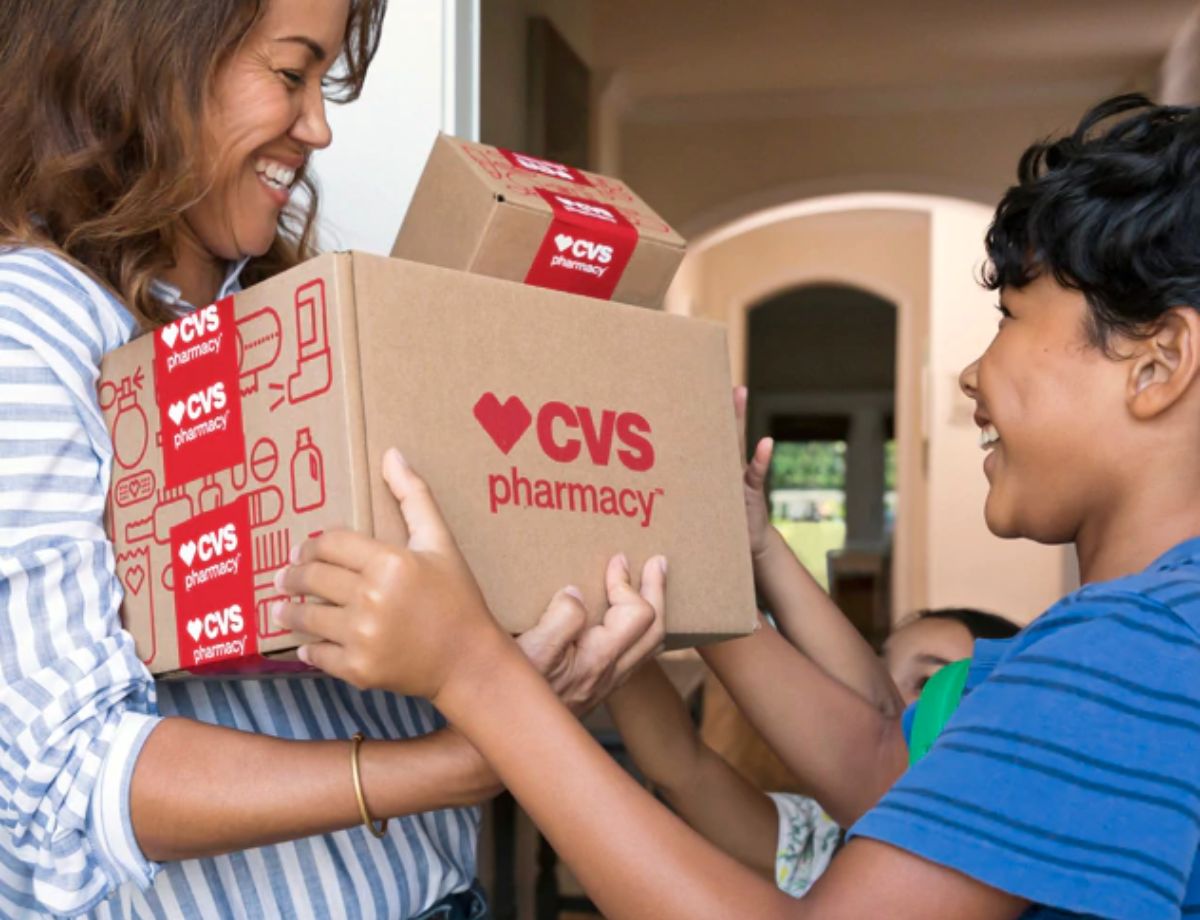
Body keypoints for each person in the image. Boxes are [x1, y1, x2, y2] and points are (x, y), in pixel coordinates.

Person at [281, 93, 1200, 918]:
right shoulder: (1142, 636)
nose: (972, 371)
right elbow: (885, 763)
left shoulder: (1134, 649)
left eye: (1010, 318)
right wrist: (694, 526)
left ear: (1158, 362)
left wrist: (474, 673)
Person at [0, 2, 664, 917]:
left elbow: (393, 647)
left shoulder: (296, 321)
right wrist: (465, 758)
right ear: (146, 65)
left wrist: (527, 648)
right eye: (290, 74)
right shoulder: (29, 330)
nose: (317, 126)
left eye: (325, 84)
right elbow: (71, 783)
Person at [606, 606, 1020, 897]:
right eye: (879, 667)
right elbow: (682, 766)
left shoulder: (1000, 876)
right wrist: (612, 635)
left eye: (929, 683)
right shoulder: (821, 842)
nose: (878, 701)